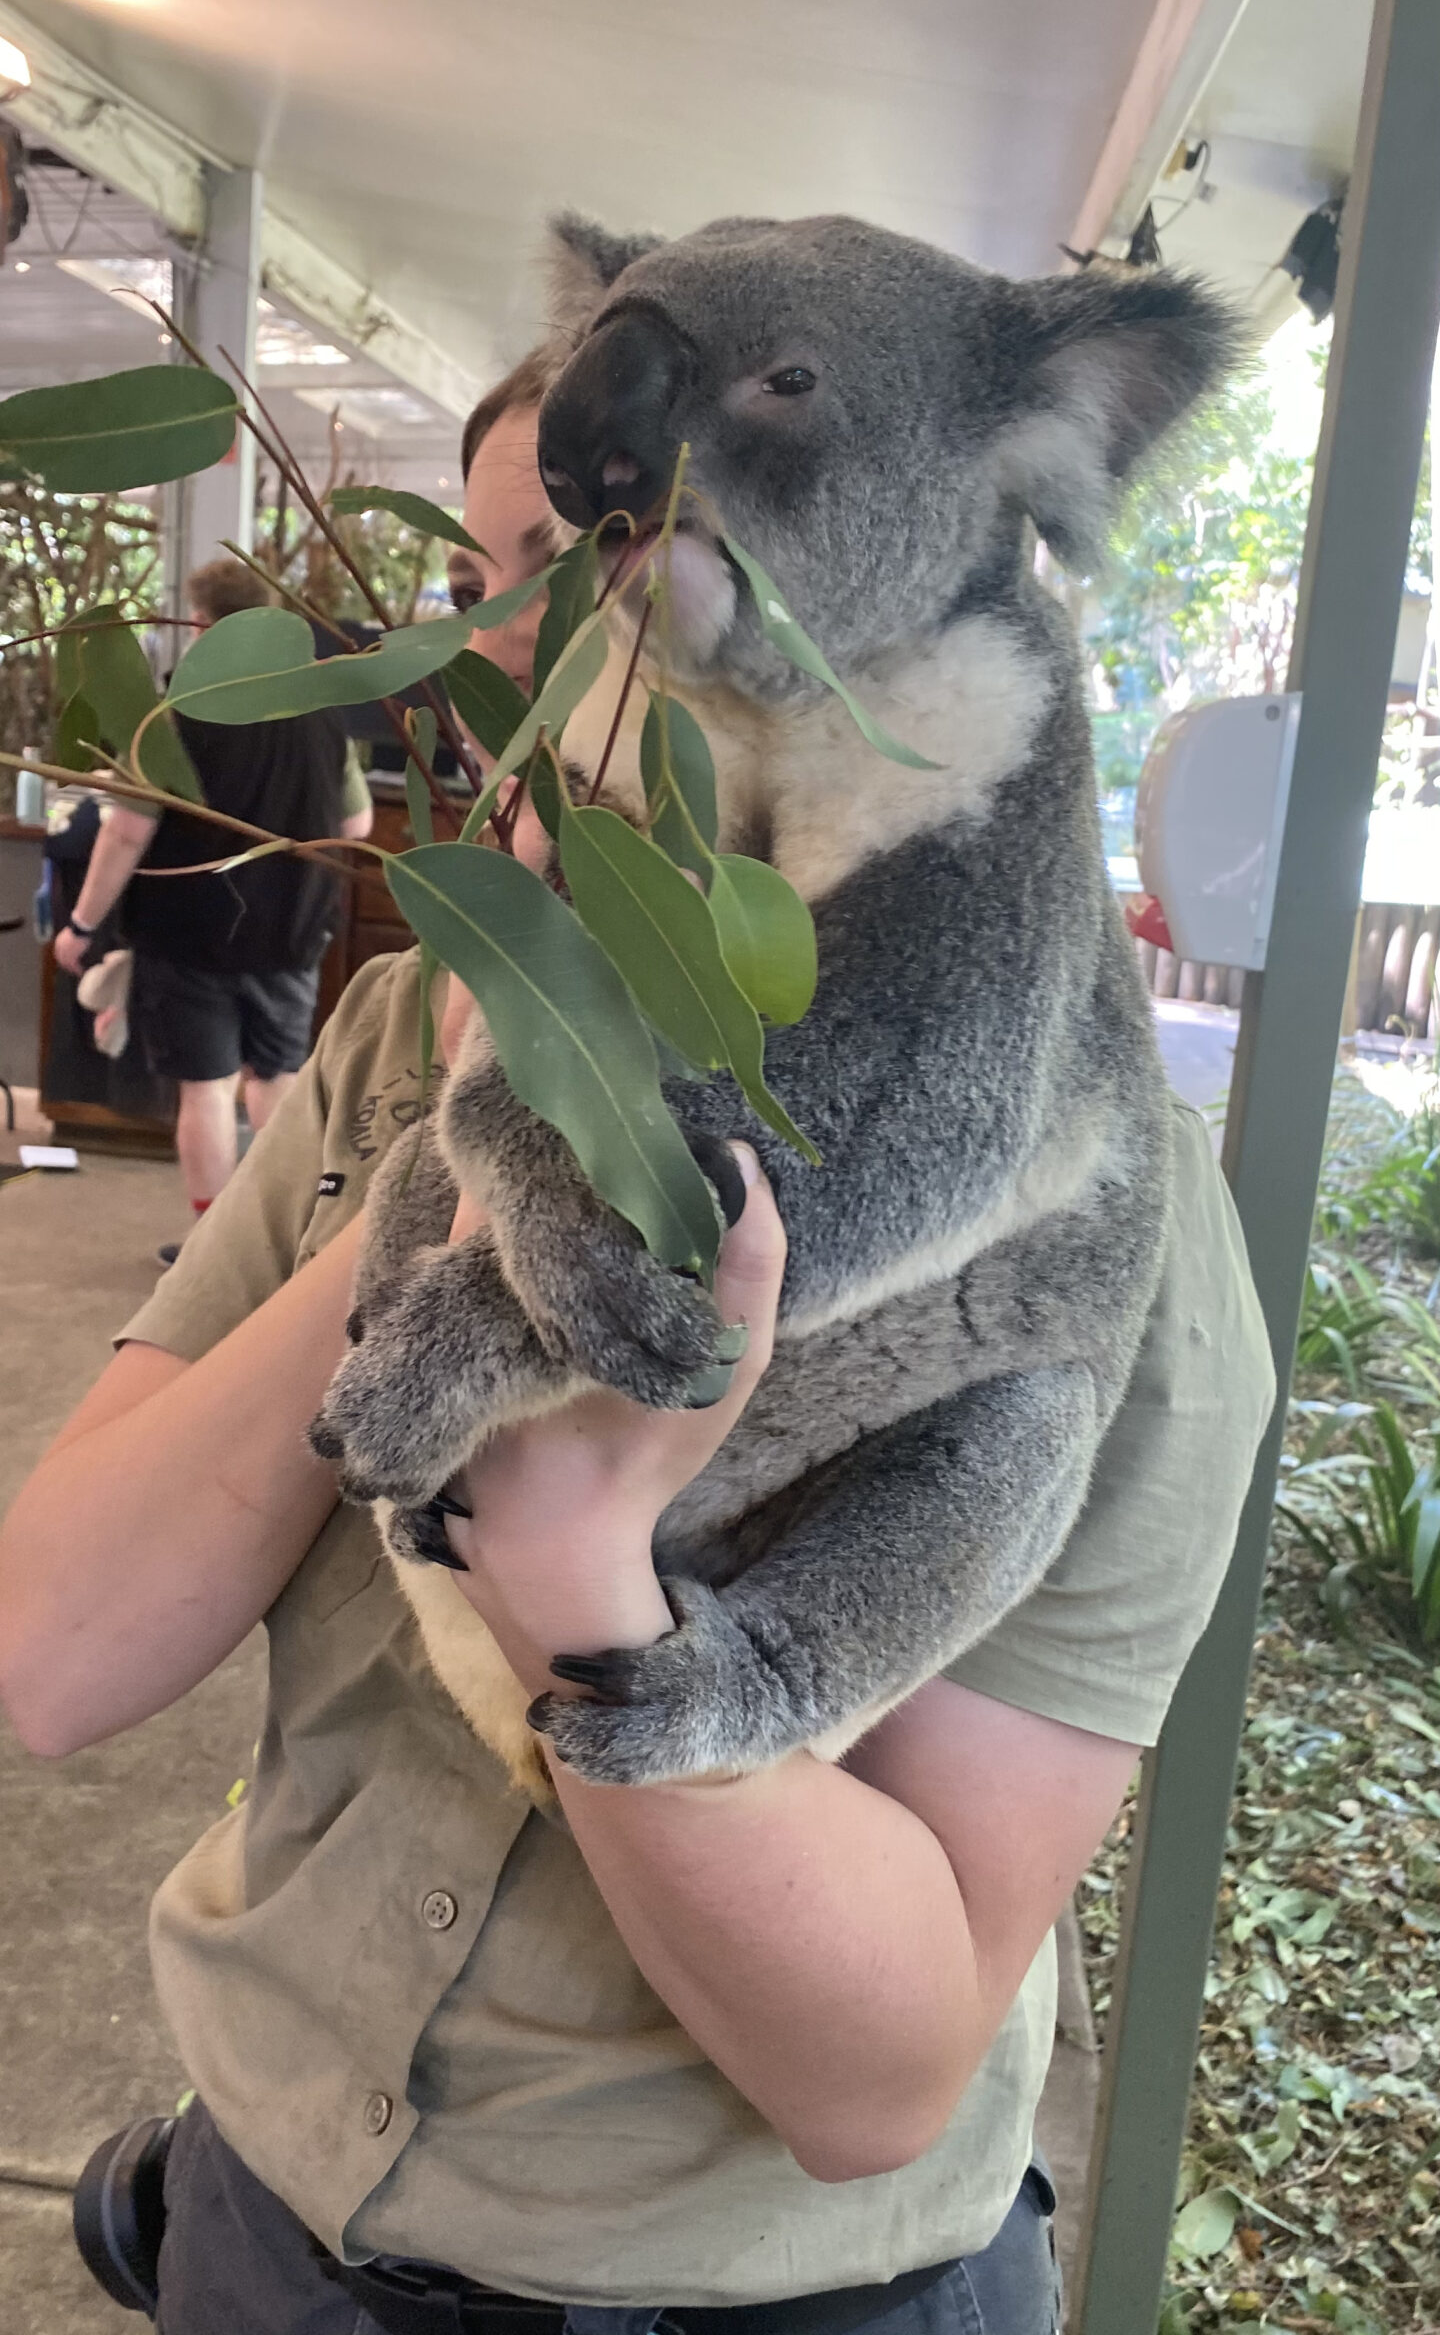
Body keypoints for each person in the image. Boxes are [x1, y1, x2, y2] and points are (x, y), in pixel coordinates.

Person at [0, 356, 1275, 2335]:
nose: (537, 668)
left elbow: (876, 2071)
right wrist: (486, 1133)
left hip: (760, 2287)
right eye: (506, 586)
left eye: (616, 580)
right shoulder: (401, 1038)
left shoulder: (1103, 1223)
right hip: (278, 2195)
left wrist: (580, 1577)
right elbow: (57, 1650)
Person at [52, 557, 374, 1243]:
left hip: (189, 934)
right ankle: (283, 1238)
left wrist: (81, 924)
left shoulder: (172, 715)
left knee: (205, 1087)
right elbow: (356, 826)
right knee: (278, 1076)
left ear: (202, 626)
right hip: (292, 931)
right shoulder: (317, 710)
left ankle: (208, 1248)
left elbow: (128, 832)